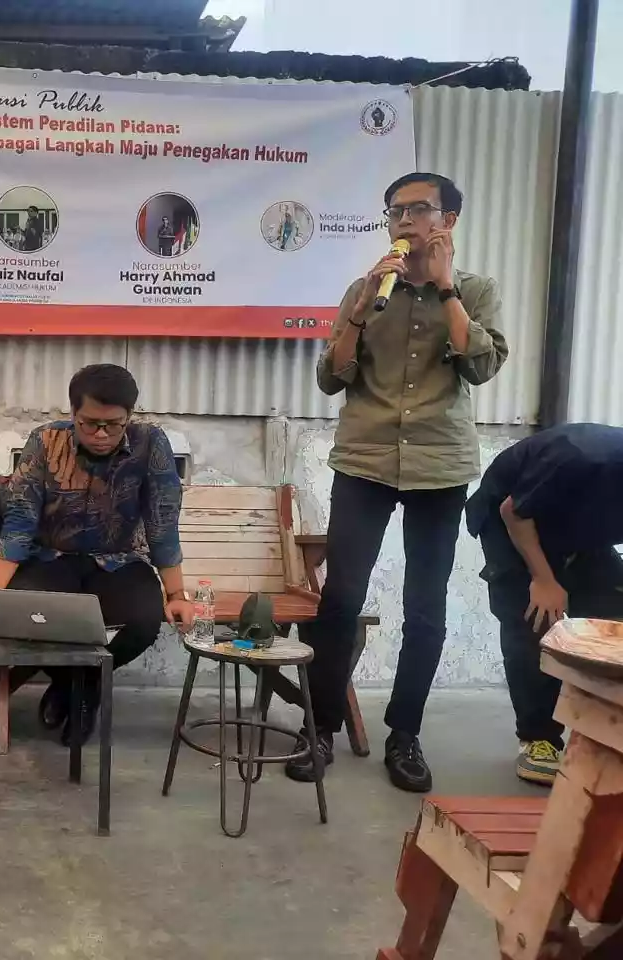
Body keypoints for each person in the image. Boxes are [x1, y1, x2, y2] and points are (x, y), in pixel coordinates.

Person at [285, 171, 509, 793]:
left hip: (439, 465)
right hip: (365, 460)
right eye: (394, 211)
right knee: (340, 599)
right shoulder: (366, 289)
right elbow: (331, 378)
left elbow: (481, 366)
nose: (404, 221)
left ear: (448, 220)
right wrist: (359, 313)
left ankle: (404, 734)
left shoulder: (475, 290)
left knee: (425, 607)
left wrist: (444, 287)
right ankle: (320, 727)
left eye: (417, 209)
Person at [0, 364, 197, 746]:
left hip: (120, 561)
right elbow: (19, 521)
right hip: (52, 558)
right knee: (25, 615)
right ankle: (79, 688)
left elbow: (162, 521)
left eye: (113, 425)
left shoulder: (150, 444)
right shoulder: (45, 441)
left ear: (129, 416)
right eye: (90, 424)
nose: (101, 434)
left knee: (144, 621)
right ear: (73, 413)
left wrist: (176, 594)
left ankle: (80, 686)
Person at [466, 423, 623, 785]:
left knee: (614, 612)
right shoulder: (581, 456)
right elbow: (513, 511)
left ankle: (601, 733)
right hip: (513, 521)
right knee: (535, 619)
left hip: (579, 531)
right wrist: (544, 580)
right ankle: (538, 740)